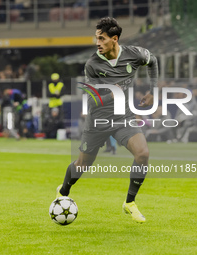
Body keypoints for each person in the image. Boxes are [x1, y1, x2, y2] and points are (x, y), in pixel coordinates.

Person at [56, 17, 158, 223]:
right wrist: (112, 94)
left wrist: (153, 91)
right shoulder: (92, 64)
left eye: (102, 39)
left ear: (114, 39)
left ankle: (129, 203)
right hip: (98, 120)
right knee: (82, 164)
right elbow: (91, 103)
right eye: (96, 38)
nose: (97, 43)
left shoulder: (134, 54)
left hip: (123, 117)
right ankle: (64, 190)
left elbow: (153, 61)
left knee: (143, 154)